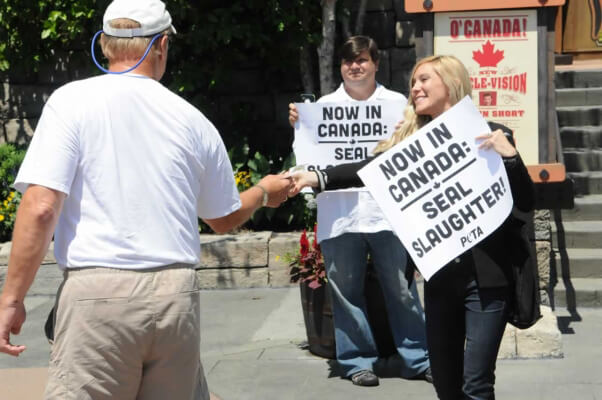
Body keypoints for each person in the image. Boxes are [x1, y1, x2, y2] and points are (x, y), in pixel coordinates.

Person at [0, 0, 292, 399]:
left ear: (104, 45)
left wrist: (12, 299)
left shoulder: (70, 102)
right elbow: (222, 219)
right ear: (161, 47)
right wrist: (263, 192)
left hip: (97, 294)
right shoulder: (192, 120)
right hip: (176, 296)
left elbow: (41, 206)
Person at [289, 54, 535, 400]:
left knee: (476, 385)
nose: (415, 88)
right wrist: (317, 176)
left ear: (450, 83)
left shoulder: (491, 134)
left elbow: (524, 201)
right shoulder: (413, 143)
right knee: (448, 386)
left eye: (424, 80)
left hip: (487, 282)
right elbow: (369, 170)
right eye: (413, 83)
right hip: (440, 281)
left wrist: (510, 157)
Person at [288, 35, 431, 387]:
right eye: (348, 61)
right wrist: (300, 124)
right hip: (340, 215)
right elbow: (306, 158)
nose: (355, 66)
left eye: (362, 60)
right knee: (345, 291)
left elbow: (415, 153)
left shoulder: (399, 104)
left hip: (388, 213)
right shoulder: (322, 106)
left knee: (401, 289)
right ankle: (356, 361)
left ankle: (418, 358)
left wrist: (407, 131)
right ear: (341, 66)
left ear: (376, 64)